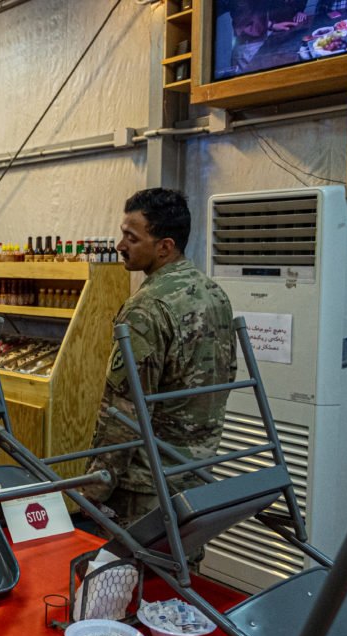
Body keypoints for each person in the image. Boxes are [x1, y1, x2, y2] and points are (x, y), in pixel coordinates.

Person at [80, 188, 237, 535]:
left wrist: (93, 487)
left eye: (131, 238)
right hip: (196, 474)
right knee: (180, 577)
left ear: (164, 246)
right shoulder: (215, 295)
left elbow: (124, 412)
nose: (120, 245)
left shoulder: (145, 308)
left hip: (145, 487)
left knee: (126, 581)